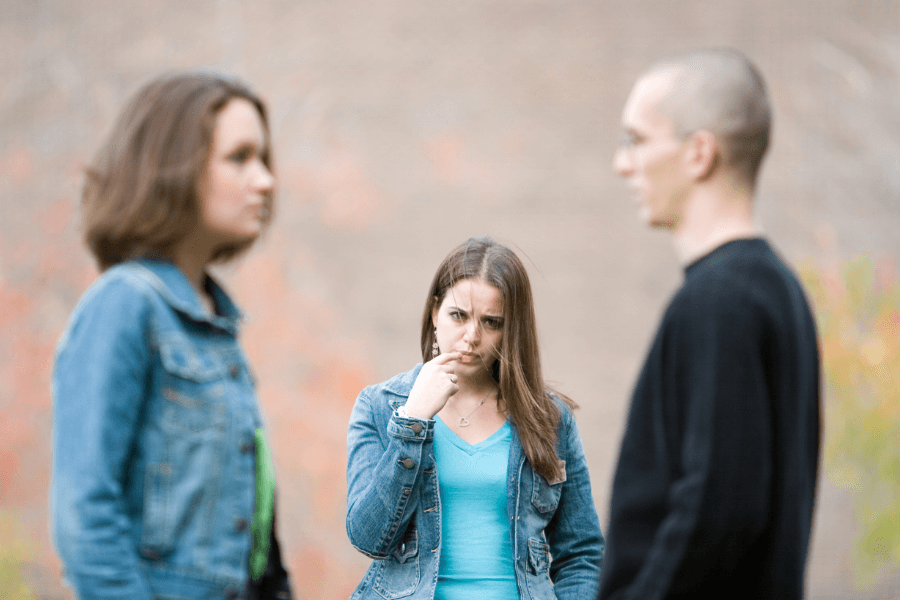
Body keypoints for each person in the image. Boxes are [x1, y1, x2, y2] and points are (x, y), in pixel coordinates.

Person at [51, 72, 293, 600]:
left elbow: (252, 536)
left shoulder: (215, 321)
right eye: (239, 157)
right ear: (172, 168)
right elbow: (84, 513)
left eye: (264, 159)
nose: (266, 180)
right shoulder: (126, 305)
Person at [597, 48, 821, 599]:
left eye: (638, 141)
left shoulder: (719, 302)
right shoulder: (778, 292)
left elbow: (721, 508)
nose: (622, 164)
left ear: (699, 153)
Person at [345, 236, 605, 600]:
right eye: (458, 316)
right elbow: (368, 537)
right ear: (435, 313)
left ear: (510, 328)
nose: (472, 336)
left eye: (491, 322)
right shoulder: (379, 406)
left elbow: (581, 554)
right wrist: (413, 421)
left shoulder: (549, 419)